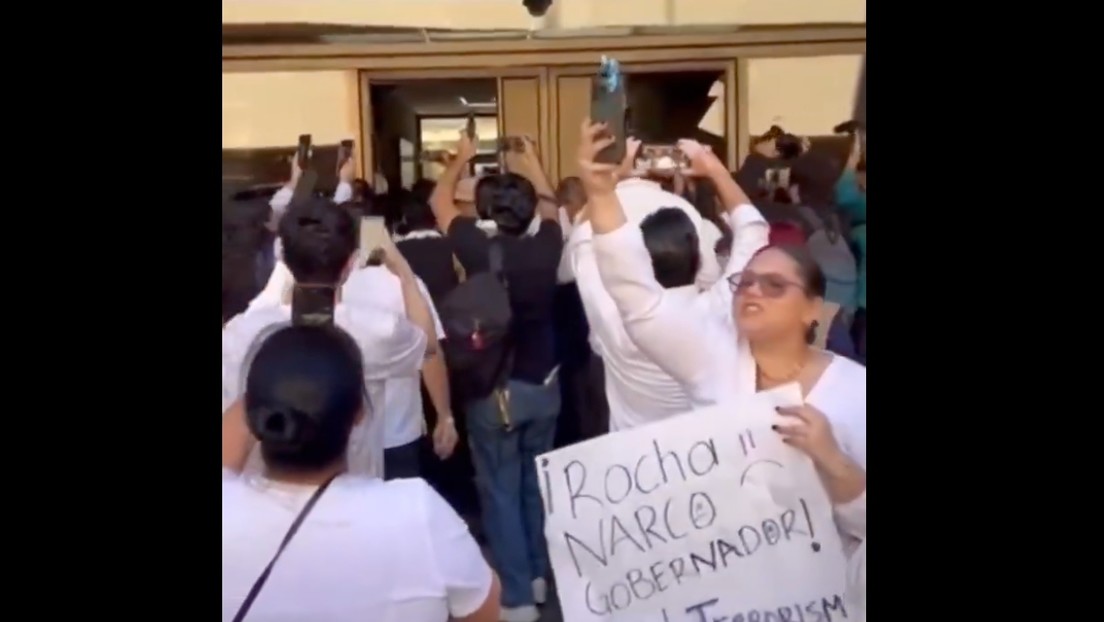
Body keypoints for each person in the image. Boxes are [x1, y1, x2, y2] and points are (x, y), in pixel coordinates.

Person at [581, 120, 865, 464]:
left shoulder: (854, 389)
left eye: (775, 286)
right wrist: (599, 193)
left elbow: (753, 232)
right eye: (744, 282)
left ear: (814, 310)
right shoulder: (710, 349)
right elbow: (629, 283)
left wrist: (833, 463)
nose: (752, 291)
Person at [222, 324, 500, 622]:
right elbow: (484, 609)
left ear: (251, 414)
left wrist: (261, 401)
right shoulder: (416, 513)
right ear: (359, 414)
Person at [429, 132, 562, 622]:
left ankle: (518, 598)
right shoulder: (548, 244)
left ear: (484, 211)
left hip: (494, 390)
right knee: (535, 482)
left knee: (500, 487)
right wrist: (534, 161)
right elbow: (551, 210)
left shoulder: (475, 248)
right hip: (545, 384)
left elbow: (440, 202)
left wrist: (460, 159)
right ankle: (540, 575)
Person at [565, 124, 767, 431]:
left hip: (637, 454)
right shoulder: (724, 308)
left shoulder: (616, 319)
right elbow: (754, 231)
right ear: (700, 258)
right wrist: (714, 170)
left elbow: (589, 243)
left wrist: (607, 183)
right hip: (704, 449)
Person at [222, 196, 437, 479]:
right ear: (350, 264)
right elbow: (429, 345)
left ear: (284, 259)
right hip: (353, 497)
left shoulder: (242, 332)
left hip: (263, 504)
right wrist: (404, 273)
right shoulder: (379, 331)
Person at [343, 264, 458, 479]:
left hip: (342, 438)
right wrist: (444, 415)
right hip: (399, 431)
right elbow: (429, 352)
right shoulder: (403, 281)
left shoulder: (313, 286)